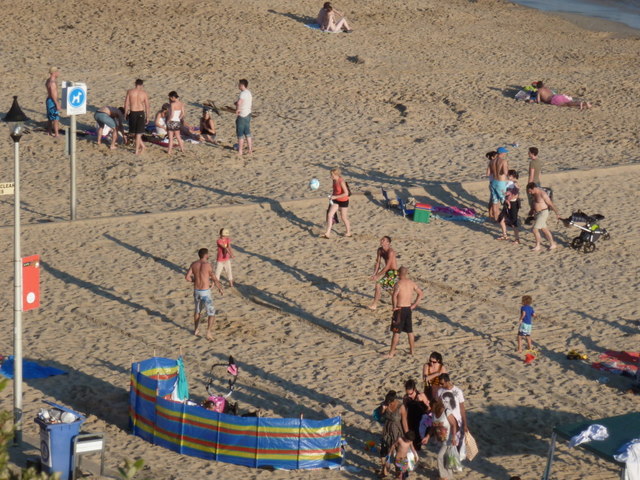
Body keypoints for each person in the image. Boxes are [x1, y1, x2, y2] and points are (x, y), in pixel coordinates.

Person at [185, 248, 224, 341]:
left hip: (196, 290)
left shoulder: (194, 264)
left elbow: (187, 277)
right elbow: (214, 278)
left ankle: (196, 329)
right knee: (211, 313)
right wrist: (220, 288)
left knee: (197, 311)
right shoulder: (207, 265)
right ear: (206, 255)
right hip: (205, 292)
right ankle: (208, 332)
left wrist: (194, 280)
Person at [386, 267, 424, 358]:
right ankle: (412, 351)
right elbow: (421, 293)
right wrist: (414, 305)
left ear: (399, 273)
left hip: (400, 309)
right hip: (408, 309)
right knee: (410, 331)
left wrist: (394, 307)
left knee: (396, 332)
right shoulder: (411, 283)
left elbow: (394, 296)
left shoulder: (398, 284)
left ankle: (391, 353)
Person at [421, 396, 458, 480]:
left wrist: (454, 437)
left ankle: (444, 476)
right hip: (439, 440)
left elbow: (453, 424)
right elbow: (433, 427)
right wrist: (427, 436)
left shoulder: (446, 412)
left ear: (437, 406)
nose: (430, 408)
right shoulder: (434, 413)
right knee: (446, 458)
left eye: (432, 406)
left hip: (448, 440)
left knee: (440, 456)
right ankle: (449, 476)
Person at [437, 374, 470, 450]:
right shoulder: (440, 391)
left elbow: (462, 409)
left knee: (456, 444)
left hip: (457, 421)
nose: (440, 385)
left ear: (448, 381)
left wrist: (465, 425)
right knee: (445, 445)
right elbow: (438, 406)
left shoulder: (458, 391)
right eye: (439, 383)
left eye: (442, 383)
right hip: (445, 422)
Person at [379, 390, 406, 478]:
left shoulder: (401, 407)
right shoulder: (385, 404)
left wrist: (406, 434)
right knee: (386, 450)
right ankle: (385, 470)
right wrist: (383, 409)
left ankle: (400, 473)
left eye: (390, 402)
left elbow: (404, 422)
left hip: (397, 431)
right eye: (387, 402)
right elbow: (380, 416)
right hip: (387, 430)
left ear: (394, 400)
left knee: (400, 453)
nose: (389, 404)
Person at [526, 182, 561, 251]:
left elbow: (550, 203)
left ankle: (538, 245)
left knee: (534, 229)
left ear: (534, 188)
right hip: (537, 214)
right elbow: (535, 203)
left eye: (530, 191)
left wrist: (557, 213)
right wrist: (531, 210)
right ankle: (552, 244)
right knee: (544, 229)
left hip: (543, 213)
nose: (530, 193)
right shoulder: (534, 194)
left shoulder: (542, 194)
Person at [368, 236, 398, 310]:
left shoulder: (391, 252)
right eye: (381, 239)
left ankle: (374, 304)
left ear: (388, 243)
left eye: (383, 240)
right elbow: (378, 262)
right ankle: (399, 300)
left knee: (378, 284)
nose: (381, 241)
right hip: (387, 272)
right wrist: (374, 274)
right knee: (388, 289)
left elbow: (387, 266)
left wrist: (378, 275)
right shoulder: (380, 250)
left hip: (393, 272)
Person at [321, 168, 351, 238]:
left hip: (344, 201)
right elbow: (335, 190)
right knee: (330, 214)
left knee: (343, 217)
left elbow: (346, 193)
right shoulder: (334, 181)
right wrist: (332, 196)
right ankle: (327, 233)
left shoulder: (341, 181)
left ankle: (348, 232)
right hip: (336, 200)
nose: (331, 176)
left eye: (332, 175)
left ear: (336, 175)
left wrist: (335, 197)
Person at [124, 79, 151, 155]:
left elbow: (126, 104)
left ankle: (137, 149)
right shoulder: (144, 93)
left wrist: (125, 113)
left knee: (135, 133)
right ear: (142, 85)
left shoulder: (130, 91)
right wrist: (148, 117)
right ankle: (141, 147)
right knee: (138, 133)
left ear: (135, 84)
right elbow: (147, 106)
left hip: (133, 112)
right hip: (141, 112)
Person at [402, 379, 430, 451]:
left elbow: (429, 409)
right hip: (411, 419)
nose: (409, 395)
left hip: (420, 420)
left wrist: (423, 402)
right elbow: (404, 411)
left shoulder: (421, 395)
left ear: (414, 389)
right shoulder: (406, 398)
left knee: (418, 440)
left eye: (410, 394)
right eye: (407, 393)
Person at [497, 170, 521, 243]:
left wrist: (510, 195)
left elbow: (517, 190)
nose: (508, 176)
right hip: (506, 203)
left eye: (509, 175)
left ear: (513, 176)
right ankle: (505, 235)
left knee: (513, 222)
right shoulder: (508, 182)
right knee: (501, 219)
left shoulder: (515, 183)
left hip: (513, 203)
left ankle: (517, 239)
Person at [489, 147, 509, 221]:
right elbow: (505, 172)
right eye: (504, 152)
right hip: (501, 182)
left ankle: (496, 218)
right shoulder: (503, 161)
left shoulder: (491, 161)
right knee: (504, 201)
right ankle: (506, 218)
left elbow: (490, 172)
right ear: (501, 153)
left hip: (494, 181)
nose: (505, 154)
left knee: (494, 201)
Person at [235, 79, 253, 156]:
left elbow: (239, 102)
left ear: (242, 85)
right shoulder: (249, 93)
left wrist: (237, 109)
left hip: (242, 115)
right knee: (247, 132)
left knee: (240, 134)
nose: (238, 86)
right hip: (248, 114)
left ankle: (240, 151)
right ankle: (250, 149)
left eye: (239, 85)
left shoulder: (242, 93)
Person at [45, 67, 60, 137]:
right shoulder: (52, 82)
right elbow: (53, 94)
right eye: (57, 72)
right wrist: (56, 103)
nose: (58, 73)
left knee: (50, 118)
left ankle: (49, 131)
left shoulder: (48, 80)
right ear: (54, 73)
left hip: (49, 100)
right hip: (52, 101)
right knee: (55, 118)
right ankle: (56, 133)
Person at [526, 147, 542, 217]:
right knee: (537, 200)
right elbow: (539, 173)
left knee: (532, 201)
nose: (528, 154)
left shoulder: (532, 163)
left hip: (533, 183)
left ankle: (534, 216)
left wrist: (528, 185)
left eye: (529, 152)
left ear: (532, 154)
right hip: (538, 183)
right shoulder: (539, 161)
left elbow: (531, 175)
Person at [485, 151, 497, 217]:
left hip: (493, 182)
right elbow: (487, 173)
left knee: (493, 199)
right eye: (496, 156)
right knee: (492, 199)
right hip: (493, 182)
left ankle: (491, 213)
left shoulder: (492, 163)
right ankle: (490, 213)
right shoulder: (491, 163)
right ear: (492, 157)